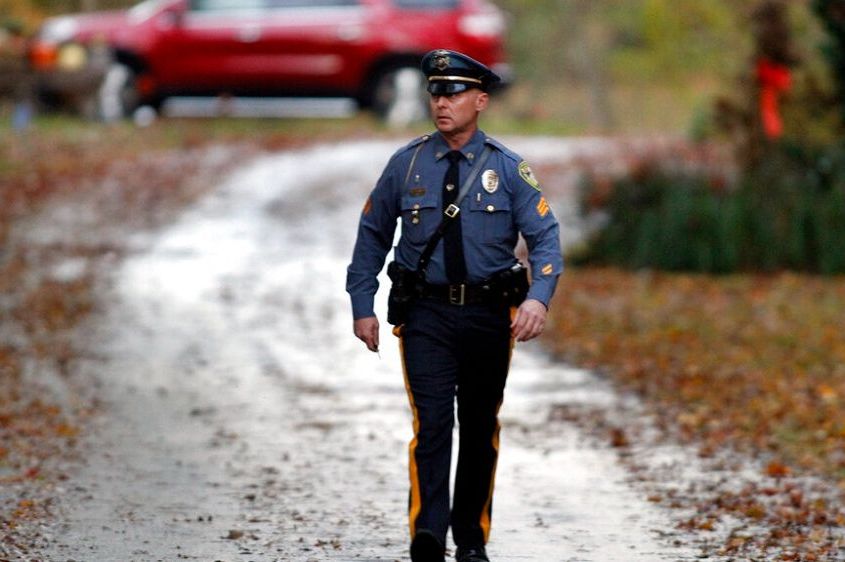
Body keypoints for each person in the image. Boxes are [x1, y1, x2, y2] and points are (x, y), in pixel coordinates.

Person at [346, 49, 562, 562]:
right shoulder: (407, 163)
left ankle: (470, 538)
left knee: (480, 426)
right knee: (433, 423)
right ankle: (427, 533)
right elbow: (371, 236)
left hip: (490, 317)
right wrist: (363, 303)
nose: (443, 103)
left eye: (456, 93)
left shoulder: (509, 169)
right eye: (436, 93)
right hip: (427, 316)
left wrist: (539, 298)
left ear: (481, 100)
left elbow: (546, 239)